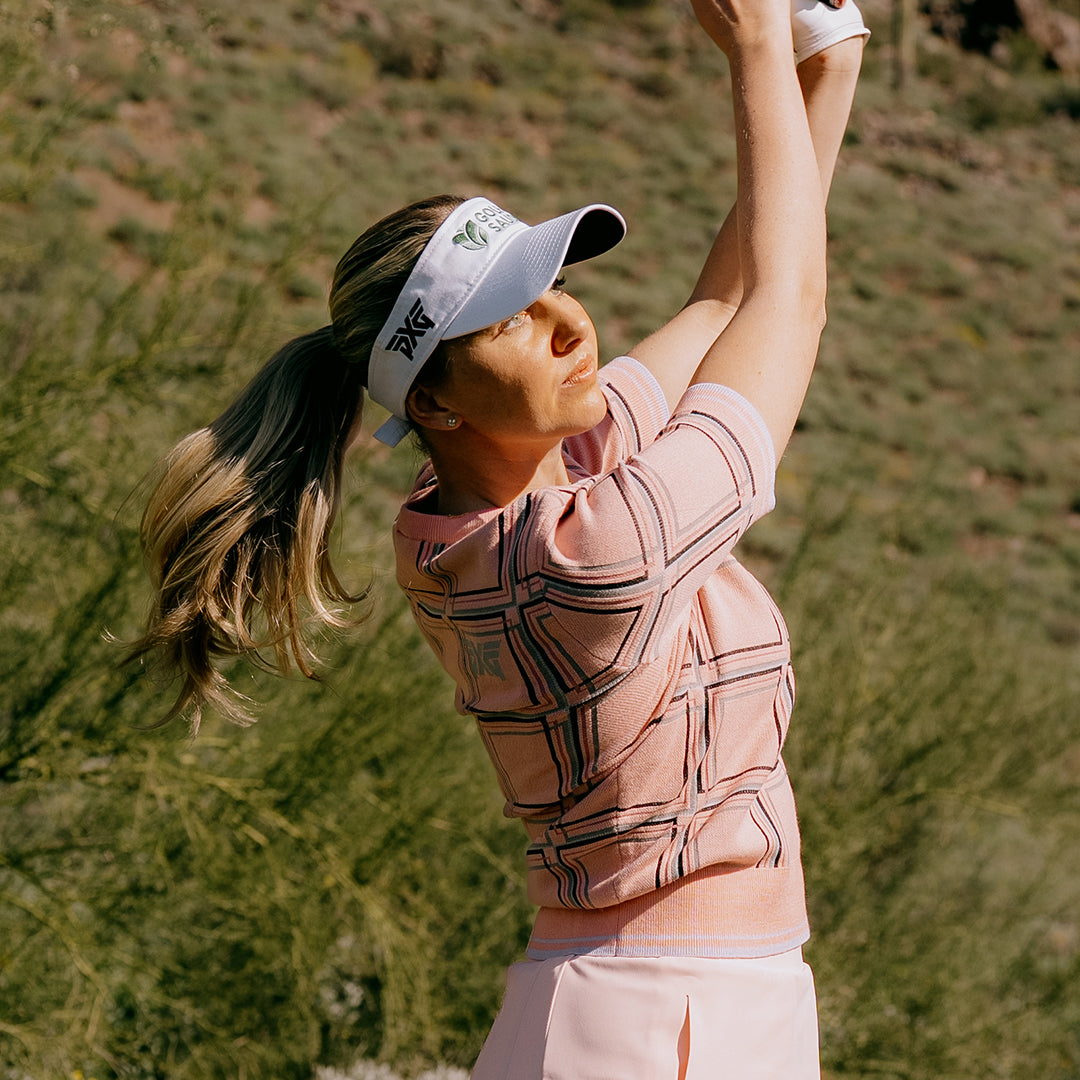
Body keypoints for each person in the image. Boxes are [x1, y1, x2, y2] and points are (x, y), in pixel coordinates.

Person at [128, 0, 867, 1074]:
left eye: (556, 283)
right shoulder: (589, 556)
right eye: (511, 318)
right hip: (657, 1022)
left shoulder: (530, 486)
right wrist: (754, 47)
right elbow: (786, 304)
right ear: (433, 403)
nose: (571, 324)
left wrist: (825, 69)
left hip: (699, 1006)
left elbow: (729, 293)